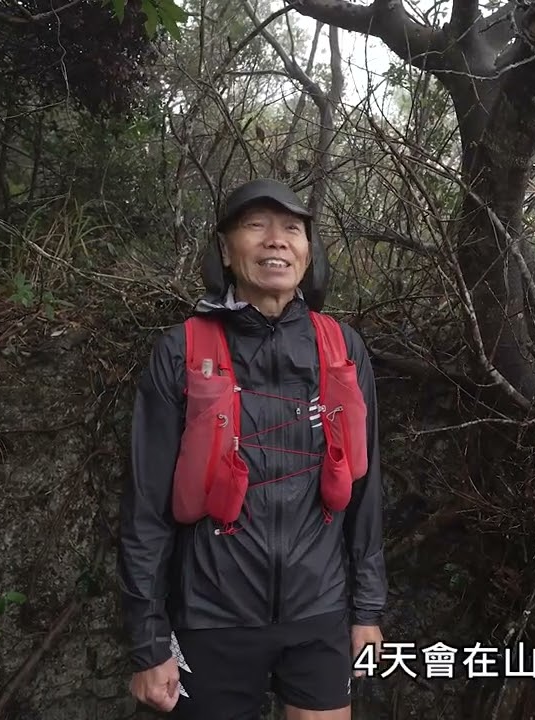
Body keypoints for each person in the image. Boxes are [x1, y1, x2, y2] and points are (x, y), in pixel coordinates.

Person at [117, 178, 387, 719]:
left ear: (310, 252)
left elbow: (366, 489)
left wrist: (368, 608)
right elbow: (145, 506)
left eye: (292, 229)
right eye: (255, 225)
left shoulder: (341, 347)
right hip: (212, 613)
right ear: (224, 248)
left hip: (321, 610)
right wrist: (149, 642)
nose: (276, 241)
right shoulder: (181, 351)